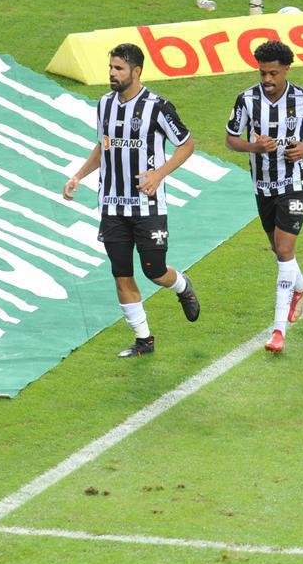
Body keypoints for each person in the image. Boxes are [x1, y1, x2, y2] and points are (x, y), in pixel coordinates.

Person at [62, 43, 200, 358]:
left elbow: (186, 144)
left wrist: (159, 174)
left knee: (155, 271)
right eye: (111, 67)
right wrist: (78, 176)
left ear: (136, 71)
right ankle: (143, 340)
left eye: (119, 69)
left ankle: (181, 286)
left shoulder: (158, 107)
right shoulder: (104, 105)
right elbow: (104, 146)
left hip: (148, 207)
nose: (112, 73)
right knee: (121, 273)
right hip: (112, 205)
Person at [226, 40, 303, 354]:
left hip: (294, 181)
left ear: (286, 69)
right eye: (263, 73)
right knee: (277, 248)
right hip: (262, 185)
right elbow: (231, 139)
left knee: (285, 249)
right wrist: (254, 147)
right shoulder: (247, 100)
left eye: (273, 73)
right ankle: (301, 286)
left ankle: (278, 331)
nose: (267, 79)